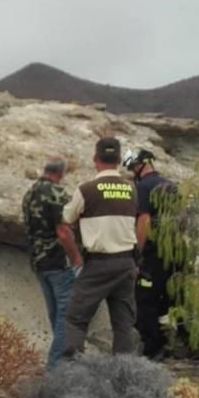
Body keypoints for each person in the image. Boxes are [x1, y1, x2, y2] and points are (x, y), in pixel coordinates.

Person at [61, 137, 139, 358]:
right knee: (123, 325)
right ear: (118, 160)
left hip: (97, 264)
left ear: (95, 159)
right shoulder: (131, 189)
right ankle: (125, 376)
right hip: (126, 263)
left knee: (75, 320)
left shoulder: (87, 189)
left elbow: (67, 218)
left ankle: (72, 373)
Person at [22, 157, 83, 367]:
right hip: (58, 262)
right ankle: (56, 369)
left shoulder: (30, 192)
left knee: (56, 316)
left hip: (38, 263)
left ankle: (64, 361)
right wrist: (76, 259)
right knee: (66, 319)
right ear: (62, 173)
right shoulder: (57, 193)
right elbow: (63, 232)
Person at [123, 147, 177, 360]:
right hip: (175, 253)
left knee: (144, 300)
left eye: (132, 166)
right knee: (171, 298)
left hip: (153, 254)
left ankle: (153, 349)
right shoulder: (171, 185)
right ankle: (179, 343)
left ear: (141, 164)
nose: (132, 170)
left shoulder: (144, 187)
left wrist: (137, 254)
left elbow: (143, 221)